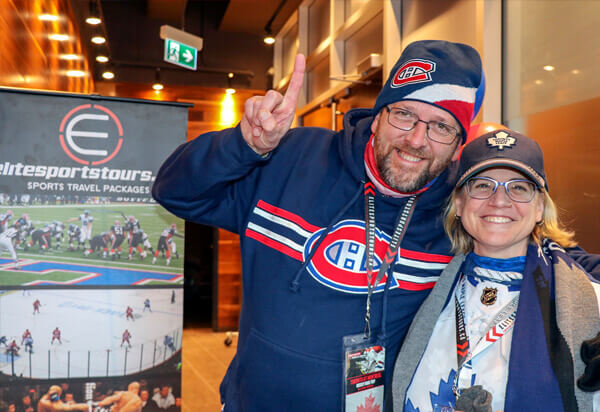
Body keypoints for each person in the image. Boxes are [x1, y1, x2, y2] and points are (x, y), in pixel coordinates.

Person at [152, 40, 600, 411]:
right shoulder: (291, 158)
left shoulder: (456, 207)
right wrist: (243, 144)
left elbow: (548, 253)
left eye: (442, 126)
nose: (417, 139)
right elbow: (175, 192)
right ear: (379, 115)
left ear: (458, 143)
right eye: (404, 114)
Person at [392, 129, 600, 411]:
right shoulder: (426, 281)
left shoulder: (586, 300)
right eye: (482, 185)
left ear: (539, 207)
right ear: (459, 203)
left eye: (518, 187)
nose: (499, 200)